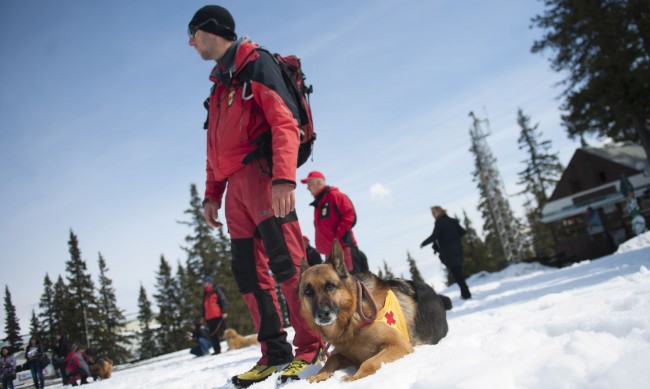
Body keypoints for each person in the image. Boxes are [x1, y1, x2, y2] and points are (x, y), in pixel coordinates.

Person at [187, 5, 324, 387]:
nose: (191, 44)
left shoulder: (256, 64)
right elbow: (214, 149)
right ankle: (274, 352)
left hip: (265, 176)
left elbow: (284, 122)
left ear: (210, 31)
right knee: (248, 273)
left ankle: (312, 347)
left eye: (192, 35)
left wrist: (284, 177)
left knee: (287, 264)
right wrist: (211, 195)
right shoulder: (219, 86)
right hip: (234, 191)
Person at [300, 171, 368, 273]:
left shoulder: (335, 196)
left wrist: (337, 236)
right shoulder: (319, 204)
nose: (308, 188)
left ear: (319, 183)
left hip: (343, 250)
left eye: (309, 184)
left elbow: (350, 215)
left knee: (351, 284)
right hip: (329, 254)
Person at [420, 206, 472, 299]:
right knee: (458, 271)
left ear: (439, 211)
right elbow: (462, 232)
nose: (433, 215)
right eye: (432, 213)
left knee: (456, 272)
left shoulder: (439, 222)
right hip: (457, 249)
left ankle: (466, 294)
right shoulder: (452, 220)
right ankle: (465, 293)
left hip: (449, 252)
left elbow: (434, 236)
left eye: (434, 213)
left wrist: (423, 243)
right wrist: (454, 239)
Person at [201, 275, 228, 355]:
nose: (203, 284)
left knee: (226, 332)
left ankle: (232, 345)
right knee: (213, 335)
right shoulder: (205, 293)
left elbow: (223, 300)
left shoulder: (216, 290)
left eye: (204, 282)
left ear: (209, 283)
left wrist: (224, 311)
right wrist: (202, 316)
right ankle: (217, 350)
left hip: (219, 315)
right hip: (209, 317)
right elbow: (203, 306)